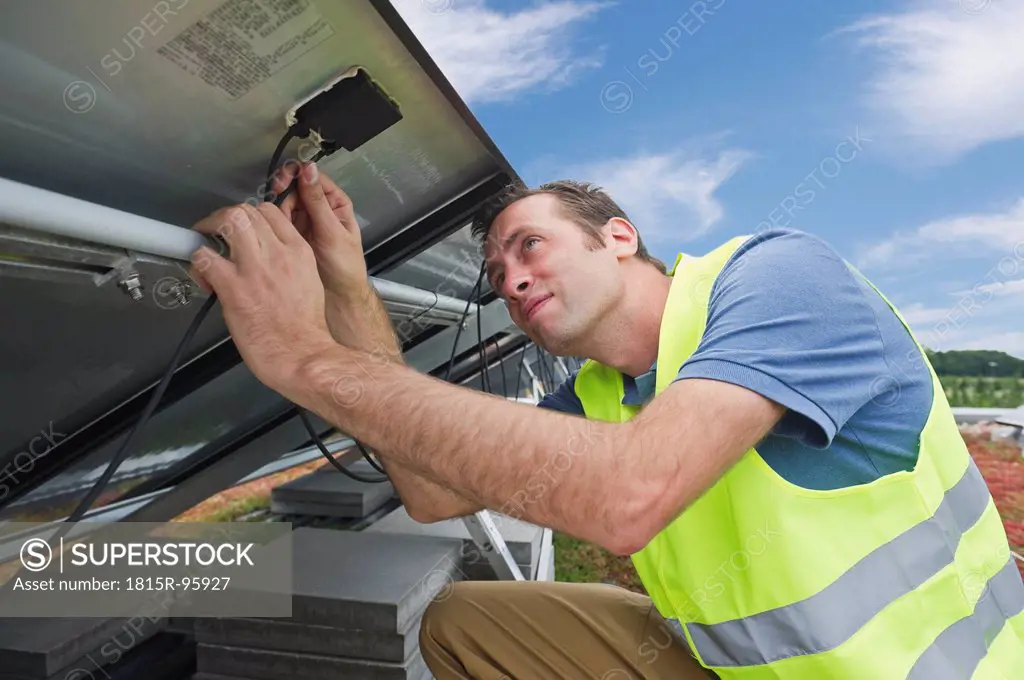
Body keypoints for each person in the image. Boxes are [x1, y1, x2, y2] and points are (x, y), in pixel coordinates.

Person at [188, 161, 1024, 679]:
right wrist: (346, 284)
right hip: (734, 672)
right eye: (496, 272)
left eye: (529, 246)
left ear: (618, 236)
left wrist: (302, 357)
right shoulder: (598, 392)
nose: (509, 281)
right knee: (467, 625)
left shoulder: (778, 278)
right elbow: (430, 488)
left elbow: (628, 493)